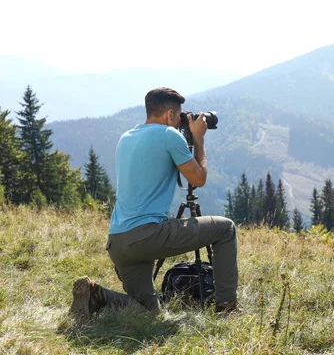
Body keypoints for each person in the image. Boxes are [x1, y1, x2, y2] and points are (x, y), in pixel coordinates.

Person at [69, 88, 238, 322]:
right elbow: (198, 179)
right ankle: (227, 307)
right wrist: (198, 139)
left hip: (117, 241)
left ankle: (98, 296)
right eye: (179, 117)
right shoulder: (170, 136)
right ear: (170, 114)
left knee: (148, 314)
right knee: (225, 228)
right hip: (146, 236)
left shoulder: (126, 137)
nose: (180, 122)